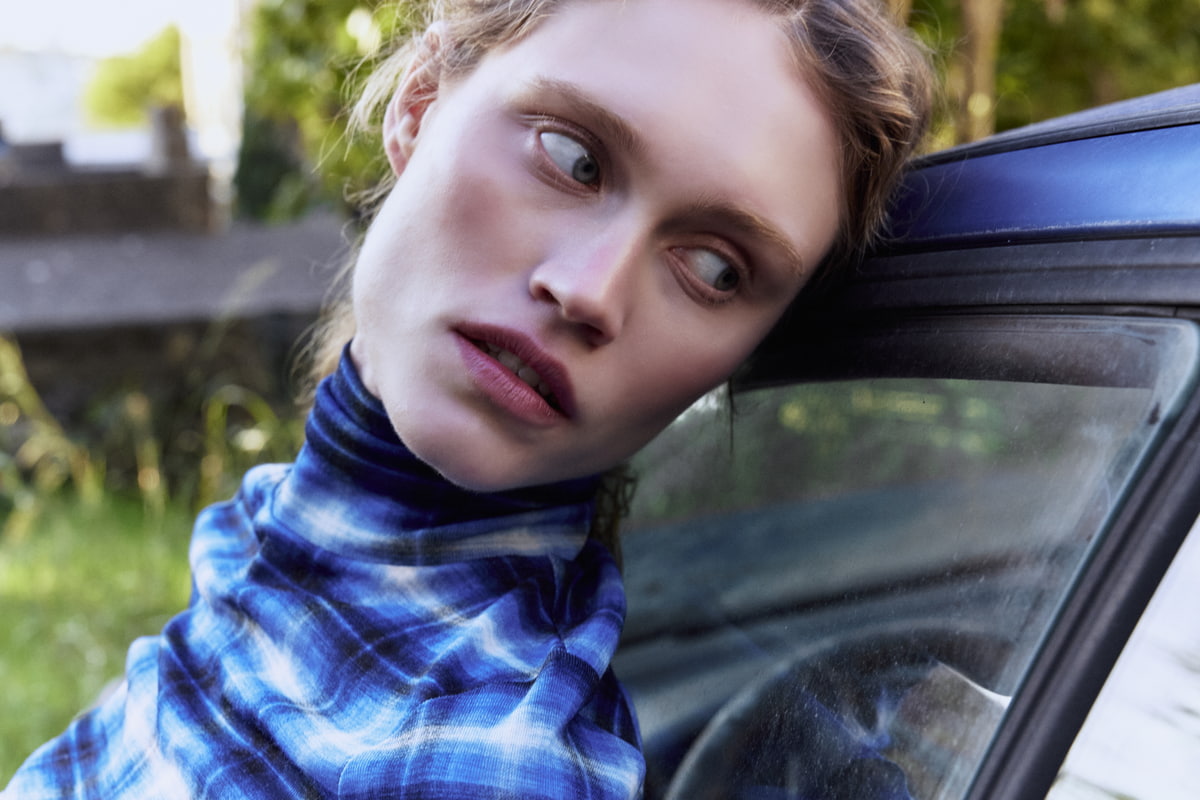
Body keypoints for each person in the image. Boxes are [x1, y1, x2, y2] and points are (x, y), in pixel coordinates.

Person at [3, 0, 932, 797]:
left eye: (715, 268)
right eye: (572, 158)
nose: (591, 290)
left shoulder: (488, 762)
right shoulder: (273, 535)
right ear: (419, 103)